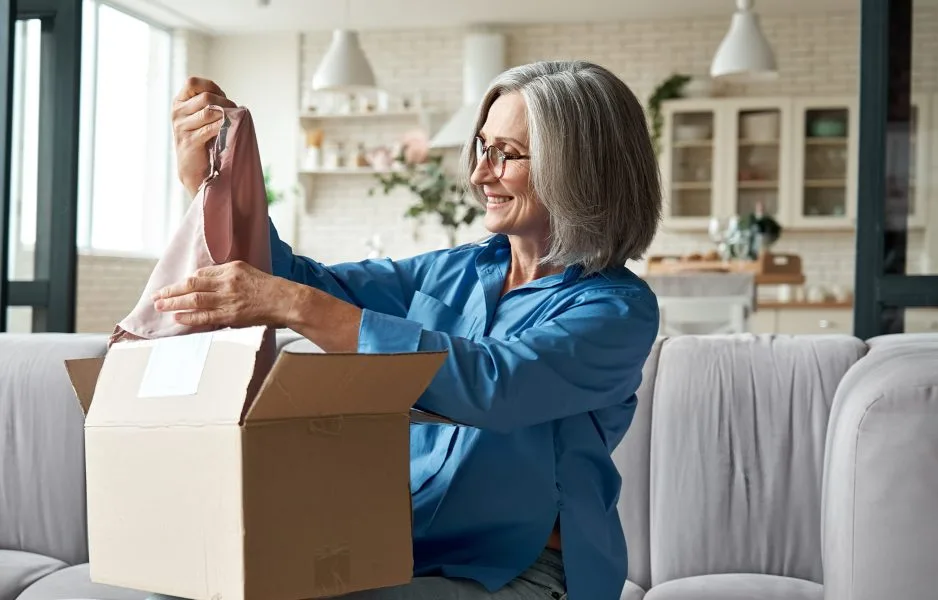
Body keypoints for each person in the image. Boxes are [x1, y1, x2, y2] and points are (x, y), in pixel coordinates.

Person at [155, 60, 662, 600]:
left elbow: (494, 385)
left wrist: (295, 306)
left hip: (525, 572)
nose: (479, 174)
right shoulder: (454, 272)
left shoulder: (616, 311)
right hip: (403, 551)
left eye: (505, 154)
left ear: (578, 169)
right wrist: (208, 182)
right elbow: (302, 282)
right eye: (481, 148)